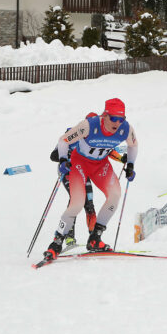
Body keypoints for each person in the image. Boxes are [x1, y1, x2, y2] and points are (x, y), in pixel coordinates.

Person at [42, 98, 139, 261]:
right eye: (114, 118)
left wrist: (130, 164)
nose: (117, 123)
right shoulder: (88, 125)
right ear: (105, 115)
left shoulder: (126, 129)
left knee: (115, 195)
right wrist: (63, 160)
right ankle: (56, 243)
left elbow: (133, 146)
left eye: (121, 119)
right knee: (77, 204)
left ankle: (95, 238)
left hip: (101, 165)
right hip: (80, 163)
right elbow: (63, 140)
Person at [49, 113, 99, 251]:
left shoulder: (96, 138)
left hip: (83, 172)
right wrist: (67, 157)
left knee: (89, 203)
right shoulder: (72, 133)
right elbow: (53, 155)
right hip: (68, 172)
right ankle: (69, 238)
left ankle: (93, 239)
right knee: (76, 201)